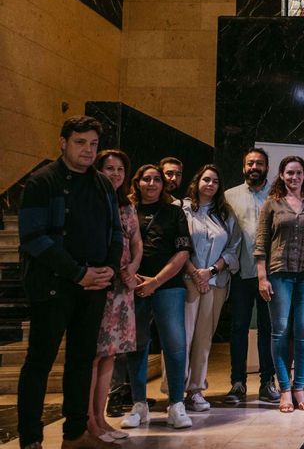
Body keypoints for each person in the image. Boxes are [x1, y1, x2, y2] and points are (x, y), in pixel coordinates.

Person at [17, 116, 122, 449]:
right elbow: (34, 238)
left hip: (93, 287)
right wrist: (79, 273)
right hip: (53, 286)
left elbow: (115, 231)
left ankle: (75, 435)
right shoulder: (41, 182)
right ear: (63, 143)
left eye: (93, 144)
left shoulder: (103, 184)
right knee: (40, 362)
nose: (88, 150)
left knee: (81, 361)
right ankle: (31, 439)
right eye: (80, 142)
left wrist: (108, 269)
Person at [121, 165, 193, 429]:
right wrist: (134, 279)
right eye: (146, 179)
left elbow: (184, 252)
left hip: (168, 286)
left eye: (156, 179)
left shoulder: (174, 212)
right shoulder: (126, 211)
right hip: (133, 286)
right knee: (136, 345)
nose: (151, 183)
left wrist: (156, 282)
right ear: (137, 182)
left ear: (163, 185)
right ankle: (139, 405)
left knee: (175, 345)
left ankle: (176, 404)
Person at [255, 156, 304, 412]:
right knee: (281, 330)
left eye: (298, 173)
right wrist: (262, 277)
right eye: (289, 173)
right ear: (282, 175)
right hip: (279, 273)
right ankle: (284, 388)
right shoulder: (271, 204)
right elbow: (261, 243)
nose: (294, 177)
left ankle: (299, 388)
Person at [87, 150, 141, 443]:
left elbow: (136, 241)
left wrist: (132, 268)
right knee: (93, 354)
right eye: (110, 168)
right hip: (99, 284)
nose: (116, 174)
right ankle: (89, 421)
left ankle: (102, 418)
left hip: (122, 287)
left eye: (121, 169)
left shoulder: (127, 206)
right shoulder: (91, 201)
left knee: (110, 354)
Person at [178, 166, 241, 412]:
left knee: (204, 339)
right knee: (182, 338)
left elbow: (233, 248)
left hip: (216, 283)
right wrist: (195, 273)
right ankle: (175, 390)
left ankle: (195, 390)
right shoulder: (181, 210)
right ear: (197, 181)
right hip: (186, 280)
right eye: (206, 179)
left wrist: (210, 272)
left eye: (215, 181)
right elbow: (177, 244)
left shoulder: (225, 214)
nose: (210, 184)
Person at [224, 148, 281, 403]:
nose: (254, 167)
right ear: (243, 167)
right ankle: (238, 382)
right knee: (238, 328)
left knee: (268, 329)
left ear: (267, 167)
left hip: (273, 273)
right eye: (250, 163)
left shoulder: (278, 195)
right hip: (241, 272)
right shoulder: (228, 196)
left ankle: (267, 382)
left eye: (259, 163)